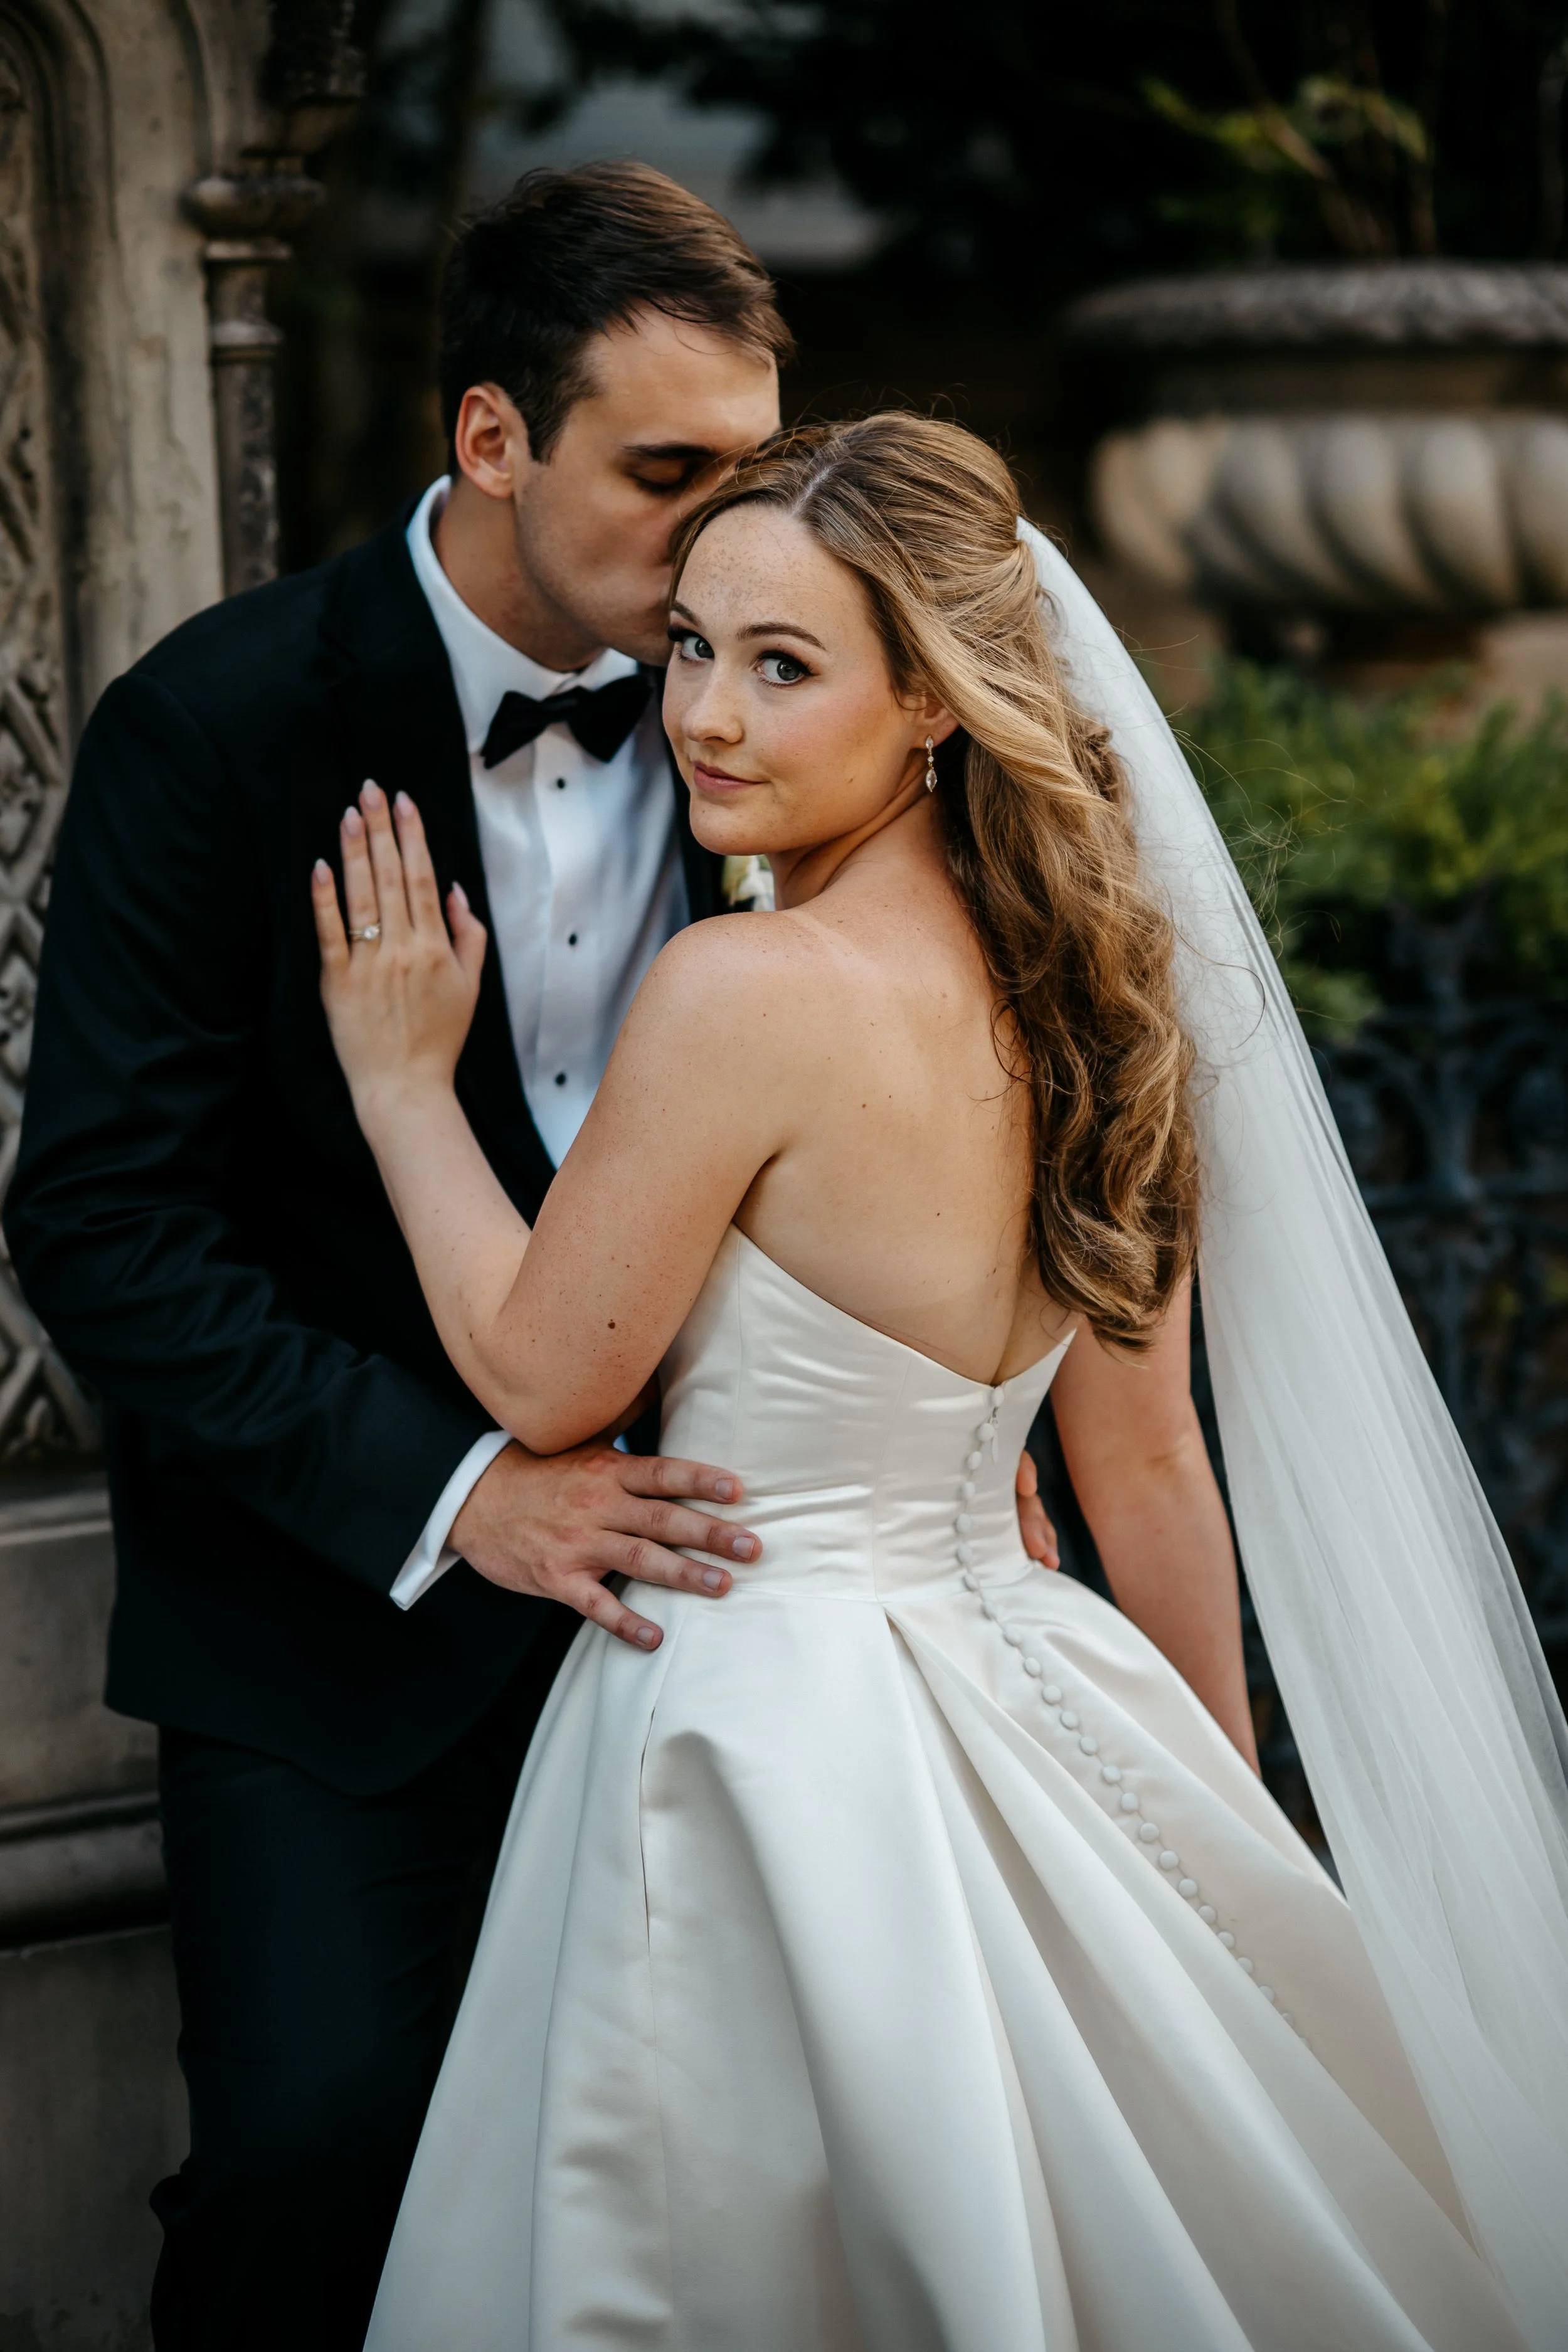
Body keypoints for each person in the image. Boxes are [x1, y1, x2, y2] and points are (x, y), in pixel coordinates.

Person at [310, 414, 1565, 2349]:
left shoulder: (744, 994)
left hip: (758, 1724)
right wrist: (1208, 1834)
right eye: (694, 650)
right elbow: (1147, 1472)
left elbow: (538, 1377)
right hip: (1036, 1685)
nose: (707, 715)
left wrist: (403, 1088)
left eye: (783, 664)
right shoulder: (1098, 996)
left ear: (933, 707)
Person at [6, 165, 811, 2346]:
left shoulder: (798, 718)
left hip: (708, 1605)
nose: (727, 538)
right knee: (312, 2163)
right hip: (322, 1627)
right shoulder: (219, 725)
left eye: (752, 474)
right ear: (489, 439)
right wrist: (467, 1495)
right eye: (666, 477)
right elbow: (100, 1221)